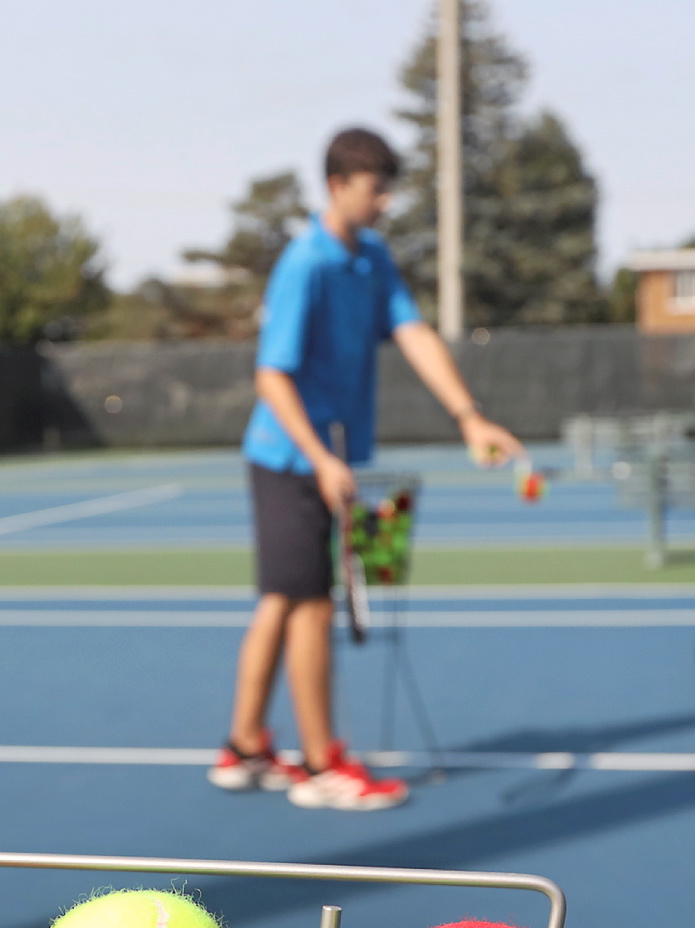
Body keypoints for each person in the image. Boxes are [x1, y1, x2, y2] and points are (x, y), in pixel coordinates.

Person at [209, 127, 524, 811]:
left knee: (282, 599)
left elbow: (413, 332)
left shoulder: (372, 259)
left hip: (327, 460)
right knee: (310, 604)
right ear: (336, 186)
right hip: (291, 457)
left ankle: (243, 747)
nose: (385, 202)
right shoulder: (306, 264)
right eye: (374, 189)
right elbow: (271, 377)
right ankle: (322, 764)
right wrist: (322, 459)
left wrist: (468, 416)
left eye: (388, 189)